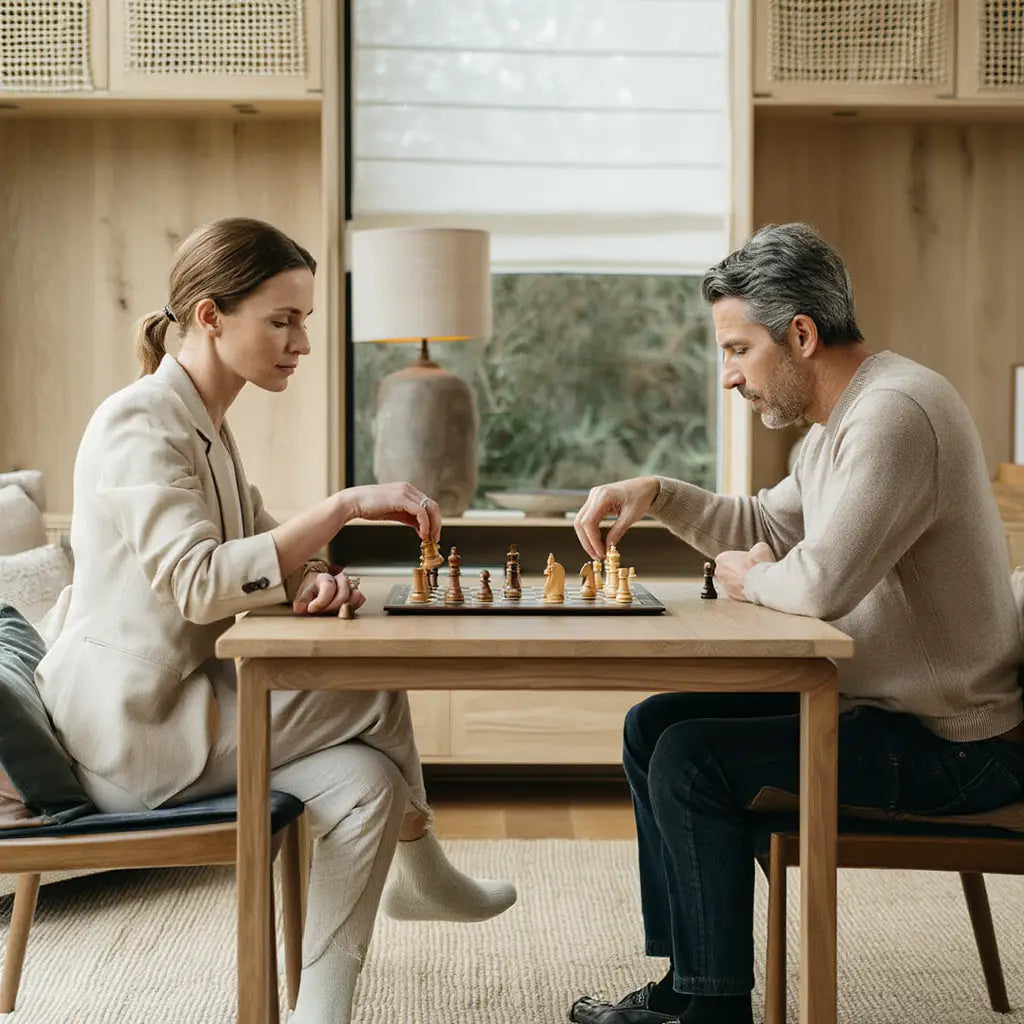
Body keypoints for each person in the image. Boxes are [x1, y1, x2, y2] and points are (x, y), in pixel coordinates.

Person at [34, 217, 516, 1024]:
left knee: (365, 783)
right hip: (126, 739)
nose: (300, 342)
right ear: (211, 317)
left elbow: (267, 551)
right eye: (281, 320)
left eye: (305, 321)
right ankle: (425, 865)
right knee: (369, 687)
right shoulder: (139, 423)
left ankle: (320, 1009)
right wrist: (343, 506)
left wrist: (318, 581)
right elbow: (196, 582)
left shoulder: (209, 427)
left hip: (189, 712)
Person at [568, 222, 1024, 1024]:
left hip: (958, 748)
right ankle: (687, 990)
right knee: (654, 727)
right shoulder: (836, 430)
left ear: (801, 336)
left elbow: (816, 584)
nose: (728, 377)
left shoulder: (896, 414)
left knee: (692, 759)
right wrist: (660, 493)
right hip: (892, 715)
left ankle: (711, 1013)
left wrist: (746, 578)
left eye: (738, 349)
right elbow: (766, 526)